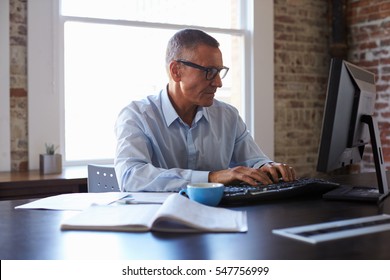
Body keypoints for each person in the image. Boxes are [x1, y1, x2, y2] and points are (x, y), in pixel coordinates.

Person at [115, 29, 296, 192]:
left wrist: (268, 167)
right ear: (176, 71)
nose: (218, 83)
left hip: (221, 217)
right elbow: (130, 177)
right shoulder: (136, 116)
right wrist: (211, 178)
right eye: (209, 71)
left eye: (219, 71)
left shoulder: (228, 116)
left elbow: (253, 160)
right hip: (158, 222)